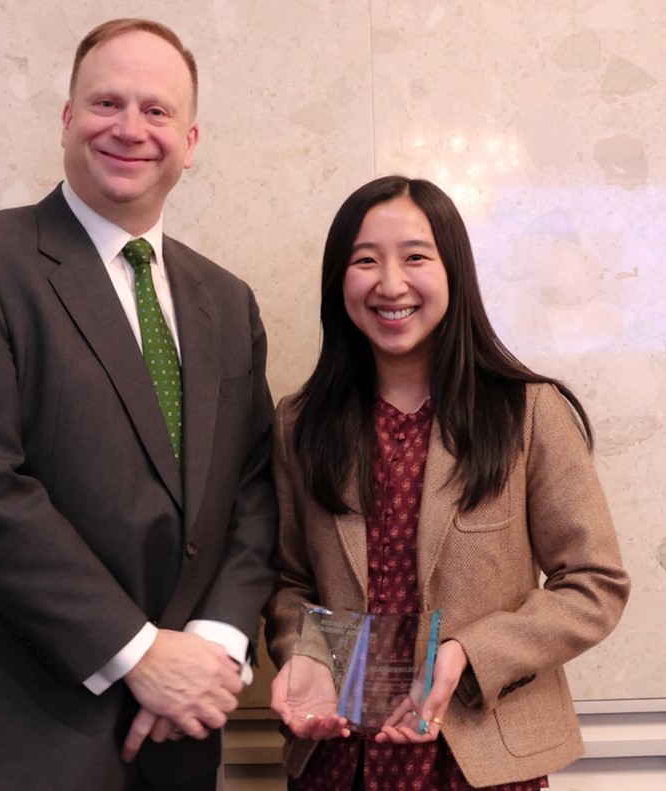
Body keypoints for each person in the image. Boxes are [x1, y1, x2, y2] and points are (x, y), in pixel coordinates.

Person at [0, 18, 277, 791]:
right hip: (22, 733)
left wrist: (211, 646)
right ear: (68, 121)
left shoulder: (228, 302)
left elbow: (254, 490)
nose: (131, 128)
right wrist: (140, 654)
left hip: (182, 731)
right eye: (107, 103)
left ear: (192, 139)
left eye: (157, 110)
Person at [264, 176, 630, 790]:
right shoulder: (300, 424)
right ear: (339, 280)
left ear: (453, 271)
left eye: (415, 256)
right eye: (364, 260)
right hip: (340, 763)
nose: (390, 283)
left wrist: (471, 655)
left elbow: (596, 584)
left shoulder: (527, 413)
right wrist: (306, 656)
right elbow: (291, 582)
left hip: (482, 761)